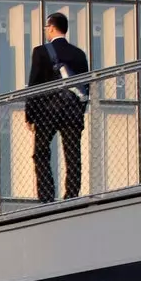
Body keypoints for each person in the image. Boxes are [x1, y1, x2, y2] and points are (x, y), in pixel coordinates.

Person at [25, 11, 90, 203]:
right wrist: (81, 110)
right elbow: (86, 85)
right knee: (72, 154)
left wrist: (30, 114)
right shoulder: (79, 54)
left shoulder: (40, 51)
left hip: (47, 111)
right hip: (72, 111)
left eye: (46, 27)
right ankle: (71, 195)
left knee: (41, 152)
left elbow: (34, 84)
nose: (46, 31)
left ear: (52, 28)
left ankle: (46, 195)